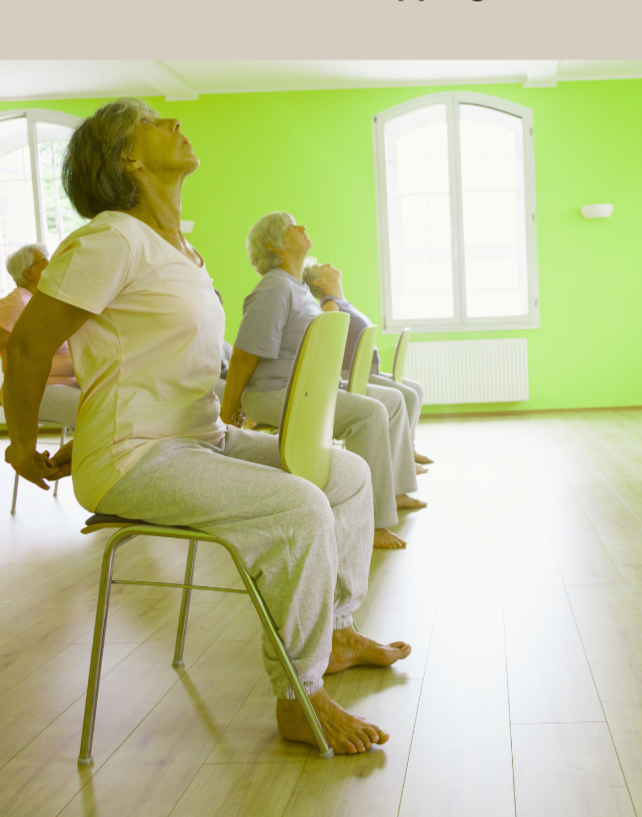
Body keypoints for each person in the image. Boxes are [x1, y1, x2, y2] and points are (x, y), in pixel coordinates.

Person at [3, 98, 410, 755]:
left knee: (346, 473)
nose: (171, 122)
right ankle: (297, 691)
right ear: (128, 159)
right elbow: (25, 347)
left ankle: (331, 631)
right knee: (299, 501)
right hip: (138, 460)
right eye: (151, 121)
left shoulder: (178, 250)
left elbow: (152, 359)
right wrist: (23, 444)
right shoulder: (110, 238)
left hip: (195, 440)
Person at [219, 212, 426, 550]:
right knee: (369, 414)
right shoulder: (274, 286)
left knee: (389, 401)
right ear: (275, 244)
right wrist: (230, 414)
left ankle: (396, 491)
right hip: (274, 391)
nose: (302, 227)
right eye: (292, 226)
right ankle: (371, 524)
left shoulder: (296, 288)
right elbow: (243, 356)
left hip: (304, 387)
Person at [302, 258, 433, 467]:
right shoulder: (329, 305)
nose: (328, 263)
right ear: (318, 282)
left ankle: (408, 452)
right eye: (322, 267)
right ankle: (401, 463)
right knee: (407, 396)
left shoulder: (343, 303)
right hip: (351, 374)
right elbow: (326, 344)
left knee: (415, 390)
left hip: (367, 371)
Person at [0, 244, 81, 429]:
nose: (51, 261)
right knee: (91, 408)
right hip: (36, 390)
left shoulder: (38, 300)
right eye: (44, 259)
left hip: (65, 383)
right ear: (27, 273)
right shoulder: (17, 300)